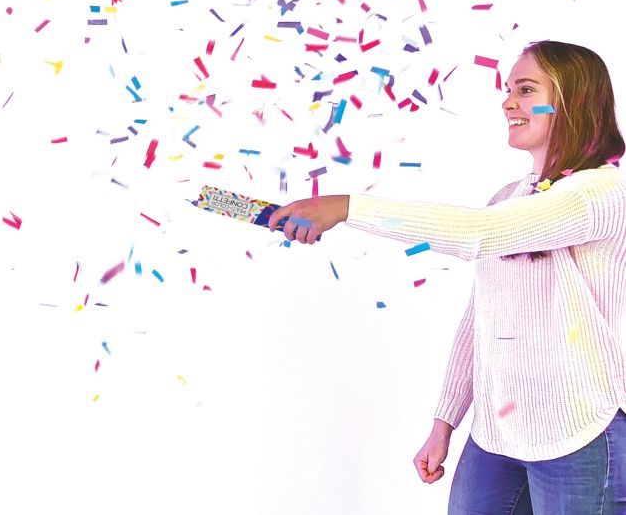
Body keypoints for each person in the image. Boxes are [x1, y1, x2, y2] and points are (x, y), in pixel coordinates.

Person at [268, 40, 626, 513]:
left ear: (571, 100)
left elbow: (479, 234)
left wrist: (348, 207)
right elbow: (481, 320)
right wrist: (445, 422)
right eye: (508, 89)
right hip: (498, 433)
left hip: (578, 430)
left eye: (525, 89)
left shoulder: (599, 192)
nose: (507, 103)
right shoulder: (508, 197)